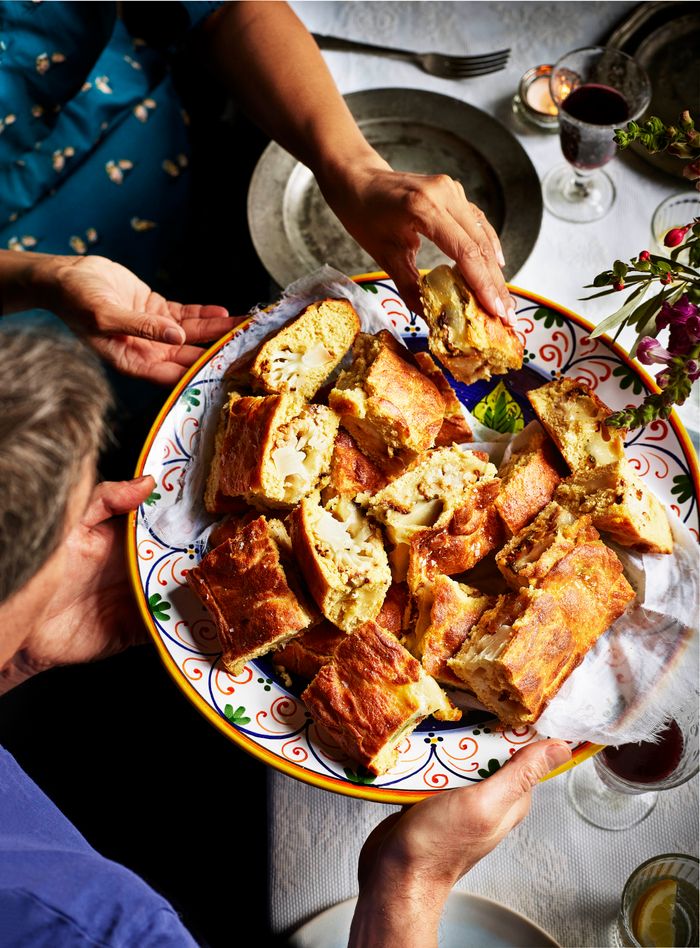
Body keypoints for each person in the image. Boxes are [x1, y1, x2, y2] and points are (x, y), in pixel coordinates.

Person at [0, 314, 572, 945]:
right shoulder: (102, 927)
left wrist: (18, 652)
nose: (96, 510)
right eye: (70, 513)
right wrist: (408, 883)